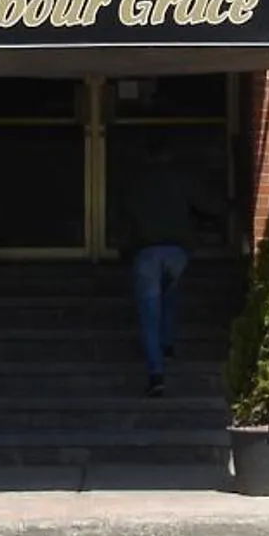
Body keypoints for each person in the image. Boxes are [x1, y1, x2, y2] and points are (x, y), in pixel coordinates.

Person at [116, 135, 200, 395]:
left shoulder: (136, 183)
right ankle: (167, 343)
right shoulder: (180, 179)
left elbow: (124, 217)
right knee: (171, 297)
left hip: (146, 252)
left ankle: (156, 374)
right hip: (176, 251)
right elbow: (203, 204)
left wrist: (122, 248)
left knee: (149, 312)